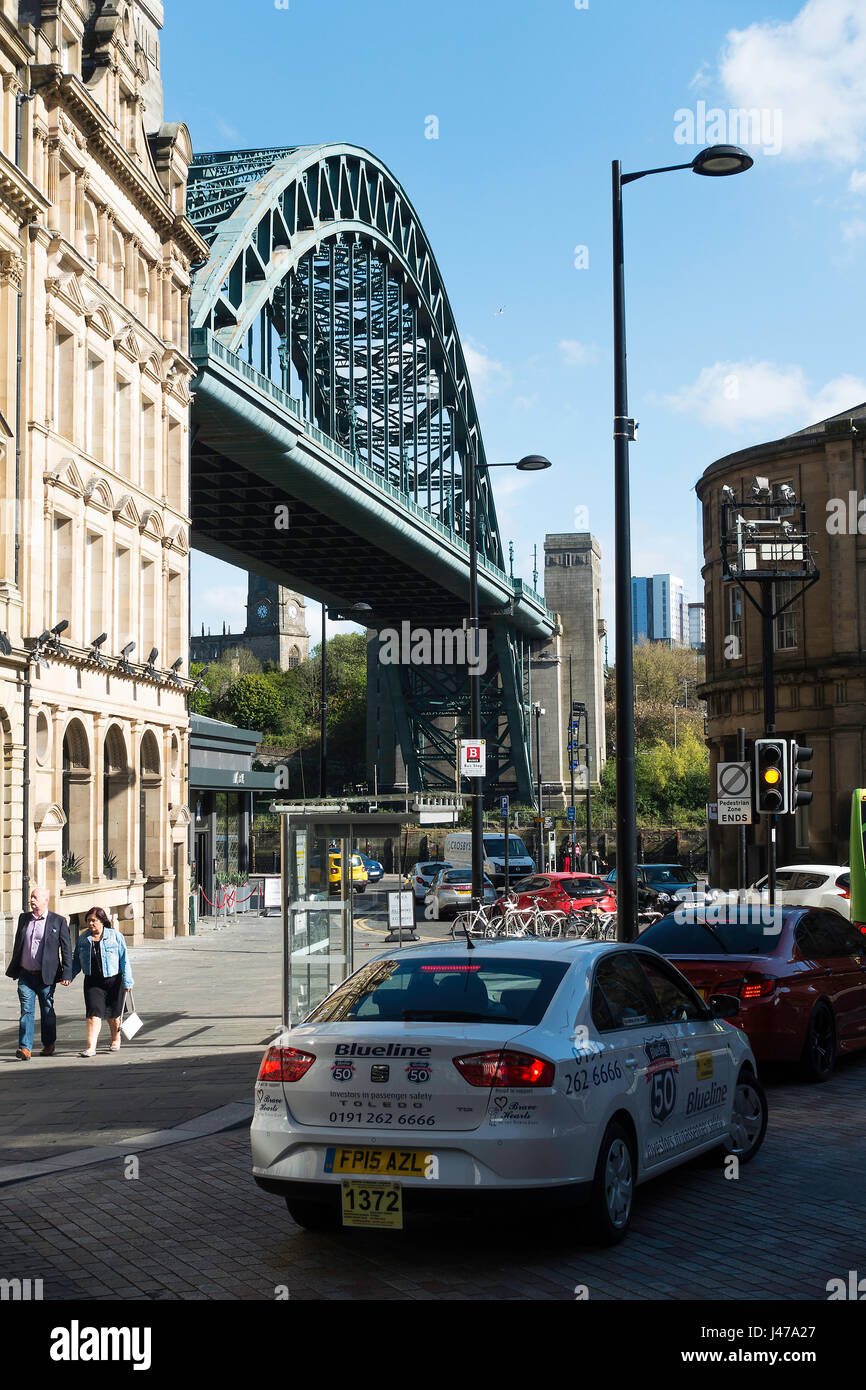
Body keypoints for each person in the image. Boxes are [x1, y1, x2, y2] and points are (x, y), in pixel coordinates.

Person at [5, 886, 72, 1059]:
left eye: (35, 897)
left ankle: (49, 1044)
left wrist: (67, 973)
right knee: (26, 1011)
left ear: (45, 900)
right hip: (26, 975)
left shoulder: (58, 921)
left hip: (46, 976)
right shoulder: (24, 918)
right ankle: (25, 1048)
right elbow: (19, 945)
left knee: (47, 1010)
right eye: (31, 898)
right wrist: (15, 968)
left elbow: (66, 949)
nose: (32, 901)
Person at [71, 907, 134, 1057]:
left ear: (102, 921)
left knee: (113, 1015)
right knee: (93, 1013)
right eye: (88, 921)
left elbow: (124, 960)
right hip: (93, 981)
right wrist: (68, 976)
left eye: (94, 920)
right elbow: (76, 962)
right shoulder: (83, 939)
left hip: (114, 980)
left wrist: (128, 981)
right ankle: (91, 1047)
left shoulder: (115, 936)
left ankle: (115, 1038)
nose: (90, 923)